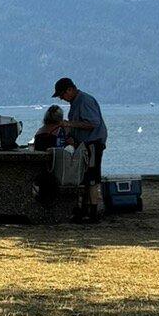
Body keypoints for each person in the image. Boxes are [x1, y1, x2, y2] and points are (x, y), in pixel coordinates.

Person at [53, 76, 107, 222]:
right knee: (85, 176)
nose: (62, 98)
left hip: (93, 143)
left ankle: (93, 214)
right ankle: (85, 210)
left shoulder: (85, 101)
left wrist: (70, 125)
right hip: (84, 144)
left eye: (62, 95)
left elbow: (92, 124)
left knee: (92, 178)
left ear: (70, 90)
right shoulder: (76, 102)